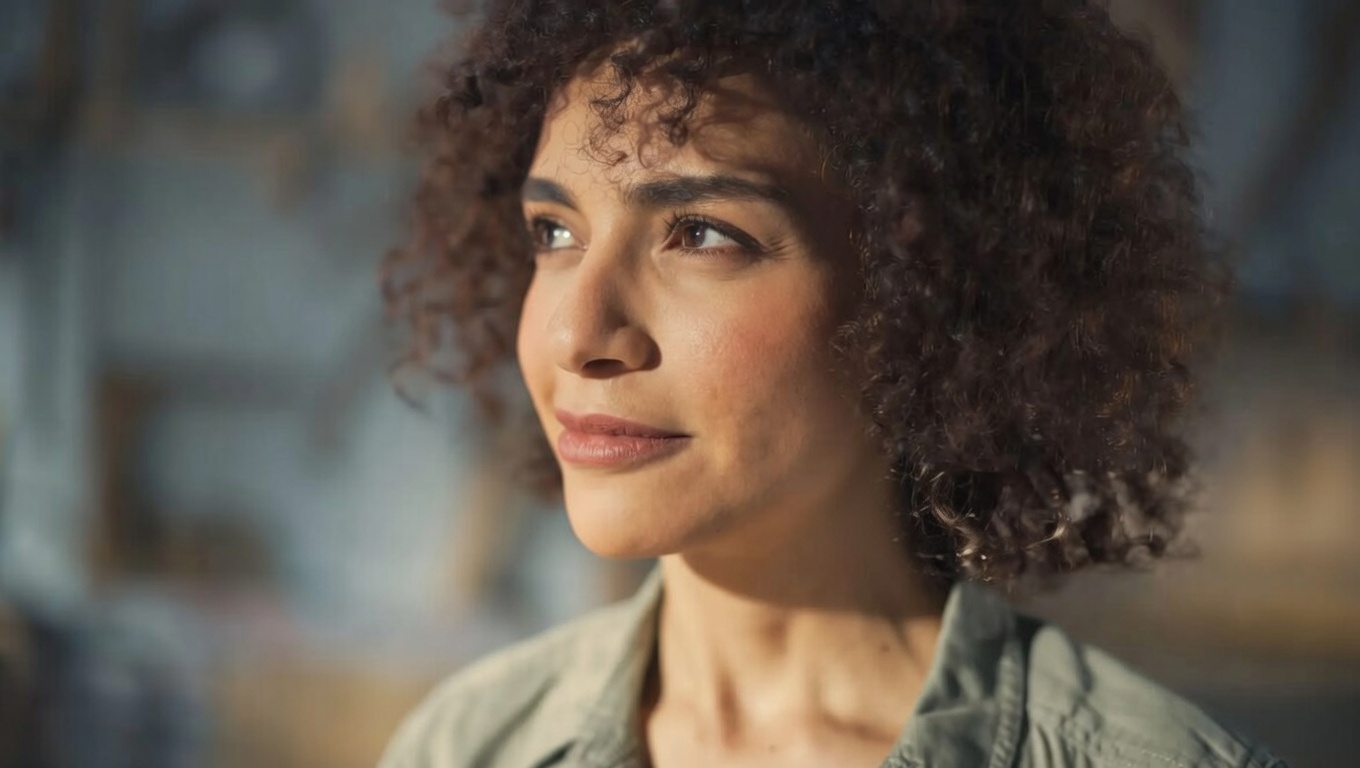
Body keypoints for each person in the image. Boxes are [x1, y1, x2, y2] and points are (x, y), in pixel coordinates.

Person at [378, 1, 1286, 766]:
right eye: (554, 233)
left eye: (700, 234)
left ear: (922, 292)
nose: (578, 333)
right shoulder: (467, 743)